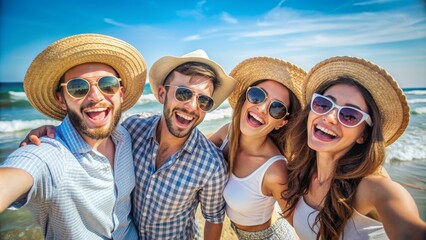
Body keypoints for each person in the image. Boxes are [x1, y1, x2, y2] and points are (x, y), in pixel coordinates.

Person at [18, 49, 236, 239]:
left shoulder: (212, 166)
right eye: (183, 93)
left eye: (203, 100)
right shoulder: (131, 129)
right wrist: (53, 132)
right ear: (162, 93)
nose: (191, 106)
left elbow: (214, 219)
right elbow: (93, 126)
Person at [0, 33, 146, 239]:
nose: (96, 97)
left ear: (120, 93)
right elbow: (17, 173)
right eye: (78, 87)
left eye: (107, 85)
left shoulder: (126, 134)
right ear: (61, 100)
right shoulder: (48, 154)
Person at [281, 56, 426, 239]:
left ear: (363, 135)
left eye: (349, 115)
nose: (329, 117)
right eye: (323, 104)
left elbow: (411, 232)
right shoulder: (300, 172)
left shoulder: (374, 188)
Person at [209, 57, 305, 239]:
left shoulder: (275, 171)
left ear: (281, 123)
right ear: (245, 98)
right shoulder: (227, 133)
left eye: (276, 108)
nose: (261, 108)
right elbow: (194, 147)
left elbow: (300, 225)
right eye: (258, 96)